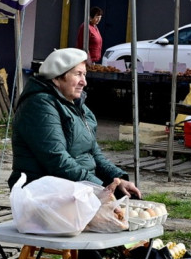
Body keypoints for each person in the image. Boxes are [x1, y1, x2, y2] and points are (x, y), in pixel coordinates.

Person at [9, 47, 141, 198]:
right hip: (44, 194)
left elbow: (93, 153)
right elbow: (57, 159)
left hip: (75, 189)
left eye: (84, 74)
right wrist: (101, 189)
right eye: (78, 74)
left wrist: (117, 180)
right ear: (57, 78)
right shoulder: (39, 105)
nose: (84, 82)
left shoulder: (77, 106)